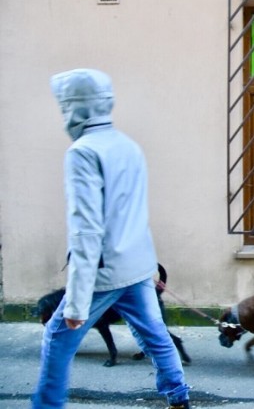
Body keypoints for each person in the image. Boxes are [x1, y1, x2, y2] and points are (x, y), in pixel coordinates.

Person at [33, 68, 190, 409]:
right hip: (137, 265)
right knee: (156, 336)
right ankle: (179, 398)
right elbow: (134, 213)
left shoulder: (82, 152)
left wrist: (75, 301)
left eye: (64, 105)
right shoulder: (128, 145)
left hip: (103, 274)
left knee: (56, 340)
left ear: (76, 107)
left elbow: (86, 228)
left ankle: (46, 405)